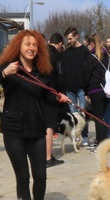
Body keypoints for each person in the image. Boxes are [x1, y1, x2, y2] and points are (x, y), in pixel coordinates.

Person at [0, 30, 70, 200]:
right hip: (13, 130)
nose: (31, 48)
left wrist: (58, 99)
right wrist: (4, 74)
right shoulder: (10, 68)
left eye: (34, 45)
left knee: (40, 175)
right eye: (27, 44)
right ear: (18, 47)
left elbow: (47, 98)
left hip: (37, 128)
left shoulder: (43, 71)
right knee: (23, 178)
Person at [84, 33, 110, 151]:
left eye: (87, 45)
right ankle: (105, 142)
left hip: (95, 90)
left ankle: (100, 144)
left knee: (98, 118)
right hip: (108, 90)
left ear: (91, 44)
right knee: (103, 117)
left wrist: (86, 91)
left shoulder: (91, 57)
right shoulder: (108, 57)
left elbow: (87, 75)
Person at [60, 27, 91, 145]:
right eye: (67, 39)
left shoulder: (84, 51)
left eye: (70, 38)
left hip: (82, 87)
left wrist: (87, 89)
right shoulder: (66, 53)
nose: (69, 41)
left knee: (83, 113)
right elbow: (62, 70)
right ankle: (76, 136)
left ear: (76, 36)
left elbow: (88, 69)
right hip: (69, 88)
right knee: (73, 114)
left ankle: (84, 136)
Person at [46, 32, 66, 168]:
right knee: (50, 126)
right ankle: (48, 157)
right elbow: (60, 76)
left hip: (40, 92)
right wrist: (61, 93)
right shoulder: (57, 57)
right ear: (60, 44)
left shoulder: (42, 54)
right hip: (52, 93)